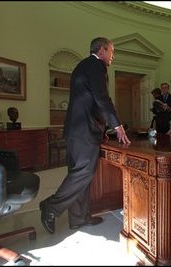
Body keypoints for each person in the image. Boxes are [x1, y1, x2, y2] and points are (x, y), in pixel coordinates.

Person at [39, 37, 131, 234]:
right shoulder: (96, 65)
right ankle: (51, 207)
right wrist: (117, 126)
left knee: (80, 173)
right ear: (102, 49)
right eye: (111, 51)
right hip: (83, 131)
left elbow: (91, 101)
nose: (112, 56)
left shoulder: (84, 66)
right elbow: (101, 98)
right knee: (83, 173)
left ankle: (78, 219)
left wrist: (103, 129)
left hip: (79, 130)